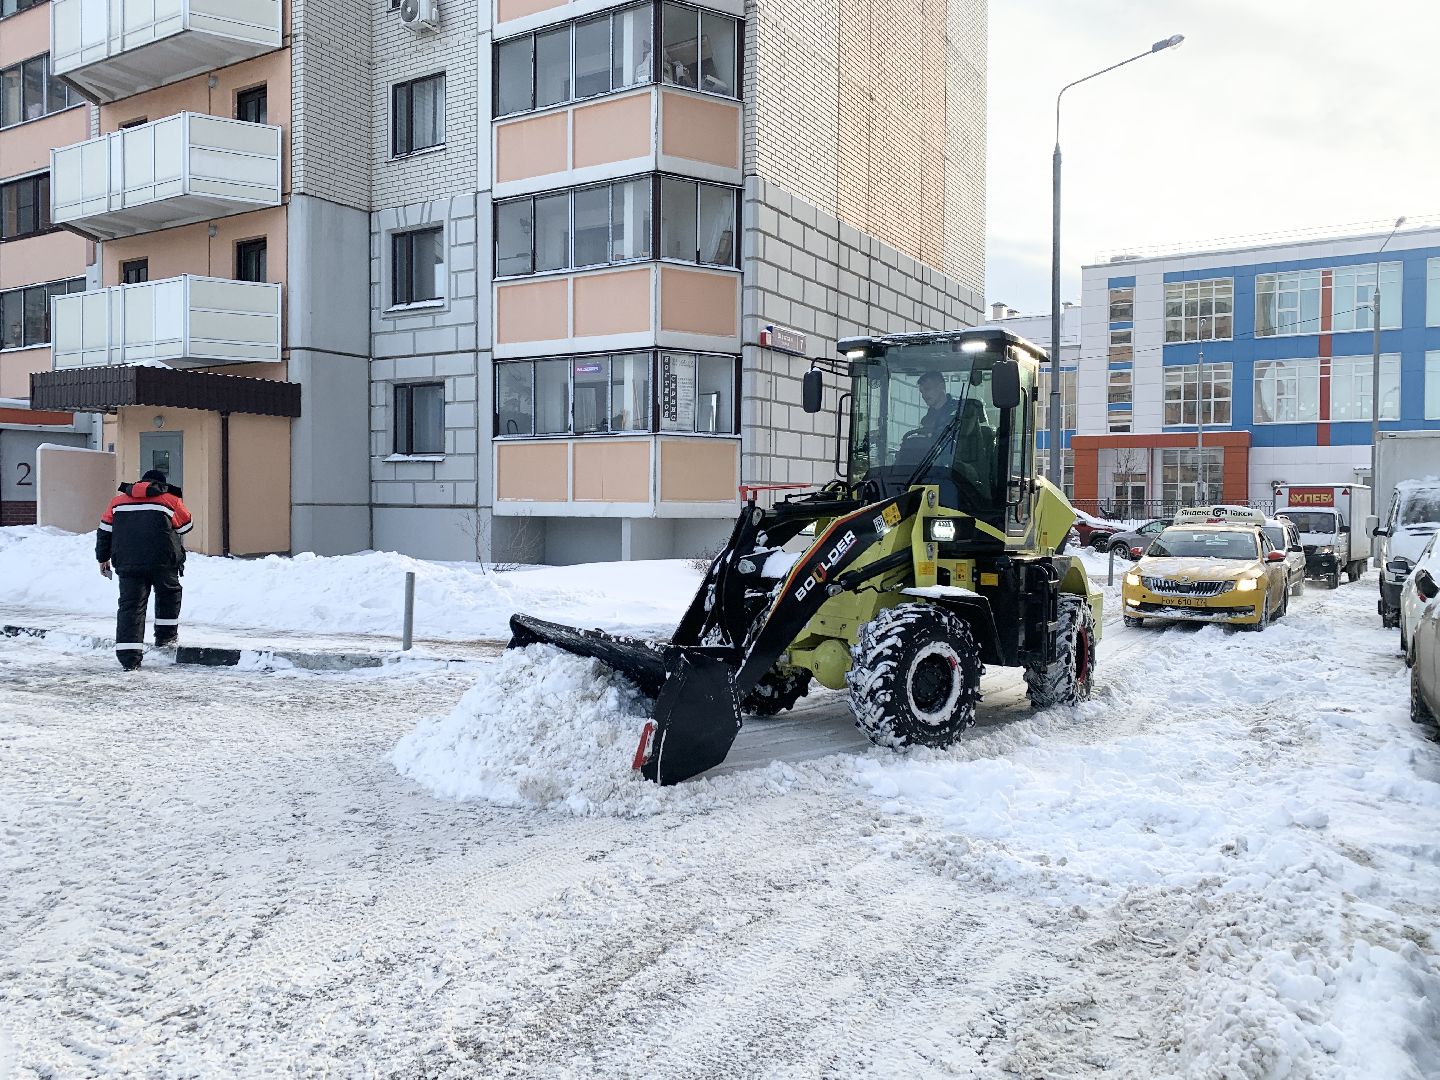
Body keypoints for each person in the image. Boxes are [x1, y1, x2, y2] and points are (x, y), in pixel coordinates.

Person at [96, 469, 194, 670]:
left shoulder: (117, 502)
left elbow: (104, 531)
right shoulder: (170, 500)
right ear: (161, 484)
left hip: (128, 562)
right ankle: (166, 638)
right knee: (169, 594)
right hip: (163, 561)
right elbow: (186, 526)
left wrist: (102, 558)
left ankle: (129, 658)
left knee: (131, 606)